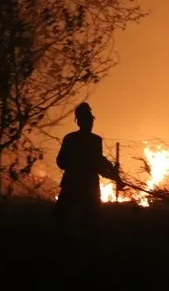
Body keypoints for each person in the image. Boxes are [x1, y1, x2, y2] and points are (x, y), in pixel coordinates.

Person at [52, 102, 121, 244]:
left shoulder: (72, 139)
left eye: (90, 120)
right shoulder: (93, 140)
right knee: (88, 222)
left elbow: (62, 162)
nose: (90, 122)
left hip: (74, 184)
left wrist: (112, 174)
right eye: (88, 119)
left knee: (62, 220)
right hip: (85, 186)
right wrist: (112, 174)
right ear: (82, 121)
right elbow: (98, 165)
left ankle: (64, 246)